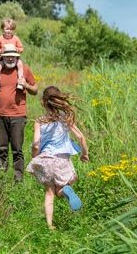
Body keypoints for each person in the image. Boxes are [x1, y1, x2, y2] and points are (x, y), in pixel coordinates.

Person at [26, 86, 89, 230]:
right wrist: (85, 154)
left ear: (43, 102)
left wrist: (35, 157)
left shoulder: (40, 121)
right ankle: (66, 190)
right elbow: (80, 137)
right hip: (61, 160)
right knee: (62, 188)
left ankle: (49, 226)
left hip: (45, 159)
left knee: (49, 193)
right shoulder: (65, 118)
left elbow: (36, 144)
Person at [0, 44, 38, 182]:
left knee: (17, 149)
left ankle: (18, 180)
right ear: (2, 57)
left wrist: (25, 84)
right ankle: (1, 177)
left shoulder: (24, 70)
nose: (10, 59)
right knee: (2, 148)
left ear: (17, 57)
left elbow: (35, 90)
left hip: (18, 116)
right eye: (7, 56)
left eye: (13, 56)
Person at [0, 18, 25, 92]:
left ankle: (20, 81)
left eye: (11, 29)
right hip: (3, 58)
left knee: (20, 65)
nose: (9, 31)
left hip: (15, 59)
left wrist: (18, 49)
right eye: (7, 29)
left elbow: (21, 48)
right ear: (2, 29)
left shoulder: (16, 38)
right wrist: (0, 51)